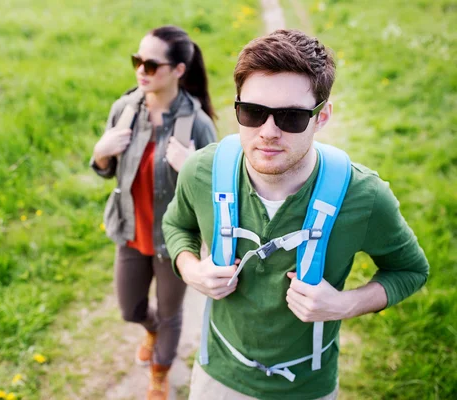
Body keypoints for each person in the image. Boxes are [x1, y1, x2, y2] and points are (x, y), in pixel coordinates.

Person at [162, 29, 429, 400]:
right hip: (217, 376)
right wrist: (192, 269)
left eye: (291, 117)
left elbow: (411, 270)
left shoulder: (365, 197)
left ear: (322, 117)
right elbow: (177, 223)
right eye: (252, 112)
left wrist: (343, 304)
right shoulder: (201, 171)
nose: (268, 132)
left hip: (307, 386)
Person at [90, 25, 217, 400]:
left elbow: (220, 193)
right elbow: (107, 169)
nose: (141, 71)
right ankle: (151, 331)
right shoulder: (124, 110)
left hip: (174, 240)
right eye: (136, 61)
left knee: (170, 313)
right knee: (131, 309)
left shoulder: (197, 124)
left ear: (178, 70)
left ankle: (159, 374)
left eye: (150, 64)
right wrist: (101, 151)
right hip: (130, 231)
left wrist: (193, 165)